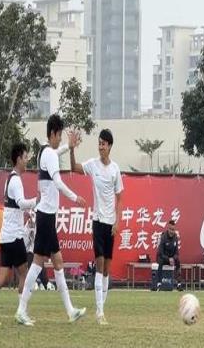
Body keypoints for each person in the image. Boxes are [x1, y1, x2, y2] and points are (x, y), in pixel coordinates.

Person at [16, 114, 87, 326]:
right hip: (46, 216)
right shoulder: (49, 154)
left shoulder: (45, 152)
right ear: (54, 133)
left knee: (57, 262)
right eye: (60, 135)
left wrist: (69, 146)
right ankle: (21, 310)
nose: (60, 139)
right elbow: (58, 182)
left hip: (46, 215)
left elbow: (56, 152)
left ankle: (70, 311)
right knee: (38, 263)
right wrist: (75, 198)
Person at [69, 128, 124, 324]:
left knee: (107, 269)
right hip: (98, 222)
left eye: (103, 144)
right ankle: (100, 312)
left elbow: (120, 198)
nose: (100, 147)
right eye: (99, 143)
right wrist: (71, 149)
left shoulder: (115, 169)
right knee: (99, 265)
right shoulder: (93, 164)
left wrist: (117, 222)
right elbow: (74, 167)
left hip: (110, 224)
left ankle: (102, 308)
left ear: (110, 146)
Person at [0, 143, 38, 318]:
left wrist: (27, 210)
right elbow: (21, 203)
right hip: (15, 236)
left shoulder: (9, 179)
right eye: (25, 157)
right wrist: (37, 200)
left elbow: (14, 205)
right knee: (24, 274)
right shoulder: (16, 180)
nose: (27, 161)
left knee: (3, 277)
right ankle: (21, 312)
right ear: (18, 159)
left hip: (5, 236)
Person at [155, 220, 182, 292]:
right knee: (160, 262)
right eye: (170, 229)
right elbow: (161, 252)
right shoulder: (163, 237)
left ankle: (179, 284)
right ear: (168, 228)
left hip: (171, 258)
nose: (172, 231)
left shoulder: (175, 237)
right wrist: (168, 259)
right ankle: (159, 284)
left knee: (178, 261)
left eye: (173, 230)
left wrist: (173, 258)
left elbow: (177, 253)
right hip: (163, 257)